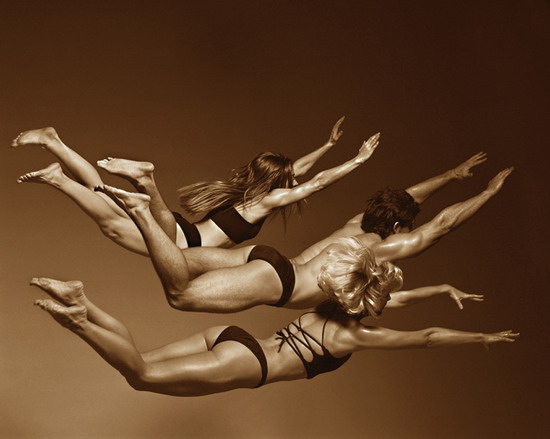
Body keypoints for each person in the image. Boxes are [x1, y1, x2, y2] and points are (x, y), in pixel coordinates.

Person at [95, 167, 512, 313]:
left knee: (175, 256)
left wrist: (450, 176)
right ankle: (143, 203)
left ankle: (147, 197)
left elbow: (405, 199)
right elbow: (442, 225)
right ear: (399, 226)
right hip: (279, 282)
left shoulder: (356, 222)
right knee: (181, 295)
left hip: (267, 261)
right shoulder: (382, 247)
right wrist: (488, 194)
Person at [31, 277, 518, 396]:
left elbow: (394, 296)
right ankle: (78, 321)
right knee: (139, 375)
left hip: (230, 337)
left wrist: (441, 288)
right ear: (372, 304)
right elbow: (427, 337)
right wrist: (481, 337)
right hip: (247, 365)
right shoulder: (355, 337)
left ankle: (84, 300)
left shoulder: (326, 302)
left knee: (138, 361)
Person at [12, 117, 379, 255]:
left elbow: (297, 170)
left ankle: (54, 143)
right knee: (111, 225)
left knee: (104, 201)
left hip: (180, 231)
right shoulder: (268, 200)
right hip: (181, 242)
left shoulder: (254, 192)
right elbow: (315, 183)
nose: (295, 180)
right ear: (281, 183)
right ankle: (141, 178)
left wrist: (328, 146)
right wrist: (357, 161)